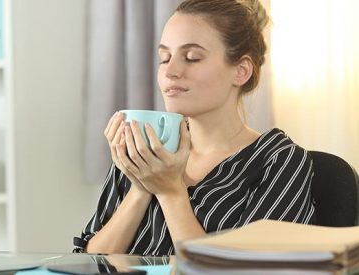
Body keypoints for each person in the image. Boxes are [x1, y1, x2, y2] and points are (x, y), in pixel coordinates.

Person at [74, 0, 316, 256]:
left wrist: (170, 192)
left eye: (192, 58)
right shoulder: (144, 150)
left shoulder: (280, 161)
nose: (171, 71)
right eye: (164, 58)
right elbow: (88, 262)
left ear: (241, 71)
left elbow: (247, 272)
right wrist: (141, 186)